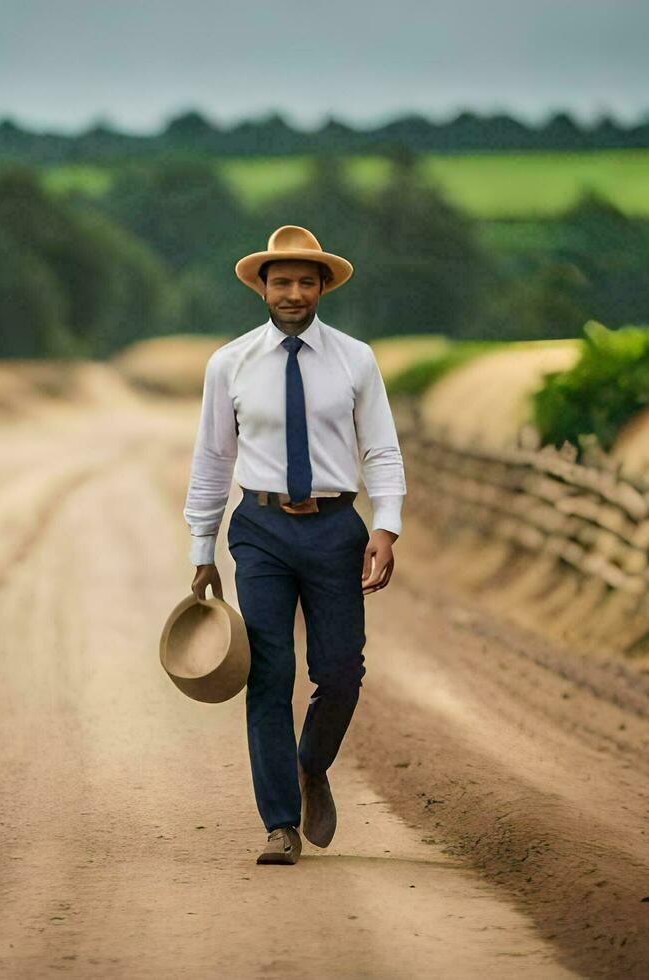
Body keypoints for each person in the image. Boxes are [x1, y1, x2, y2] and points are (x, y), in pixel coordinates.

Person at [183, 224, 406, 866]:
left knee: (340, 672)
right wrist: (203, 547)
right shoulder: (229, 364)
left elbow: (382, 449)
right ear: (261, 286)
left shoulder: (355, 360)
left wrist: (385, 526)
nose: (294, 292)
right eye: (281, 281)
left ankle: (311, 765)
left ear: (322, 287)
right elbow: (212, 459)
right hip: (261, 530)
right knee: (269, 671)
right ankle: (279, 823)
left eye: (307, 281)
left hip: (337, 528)